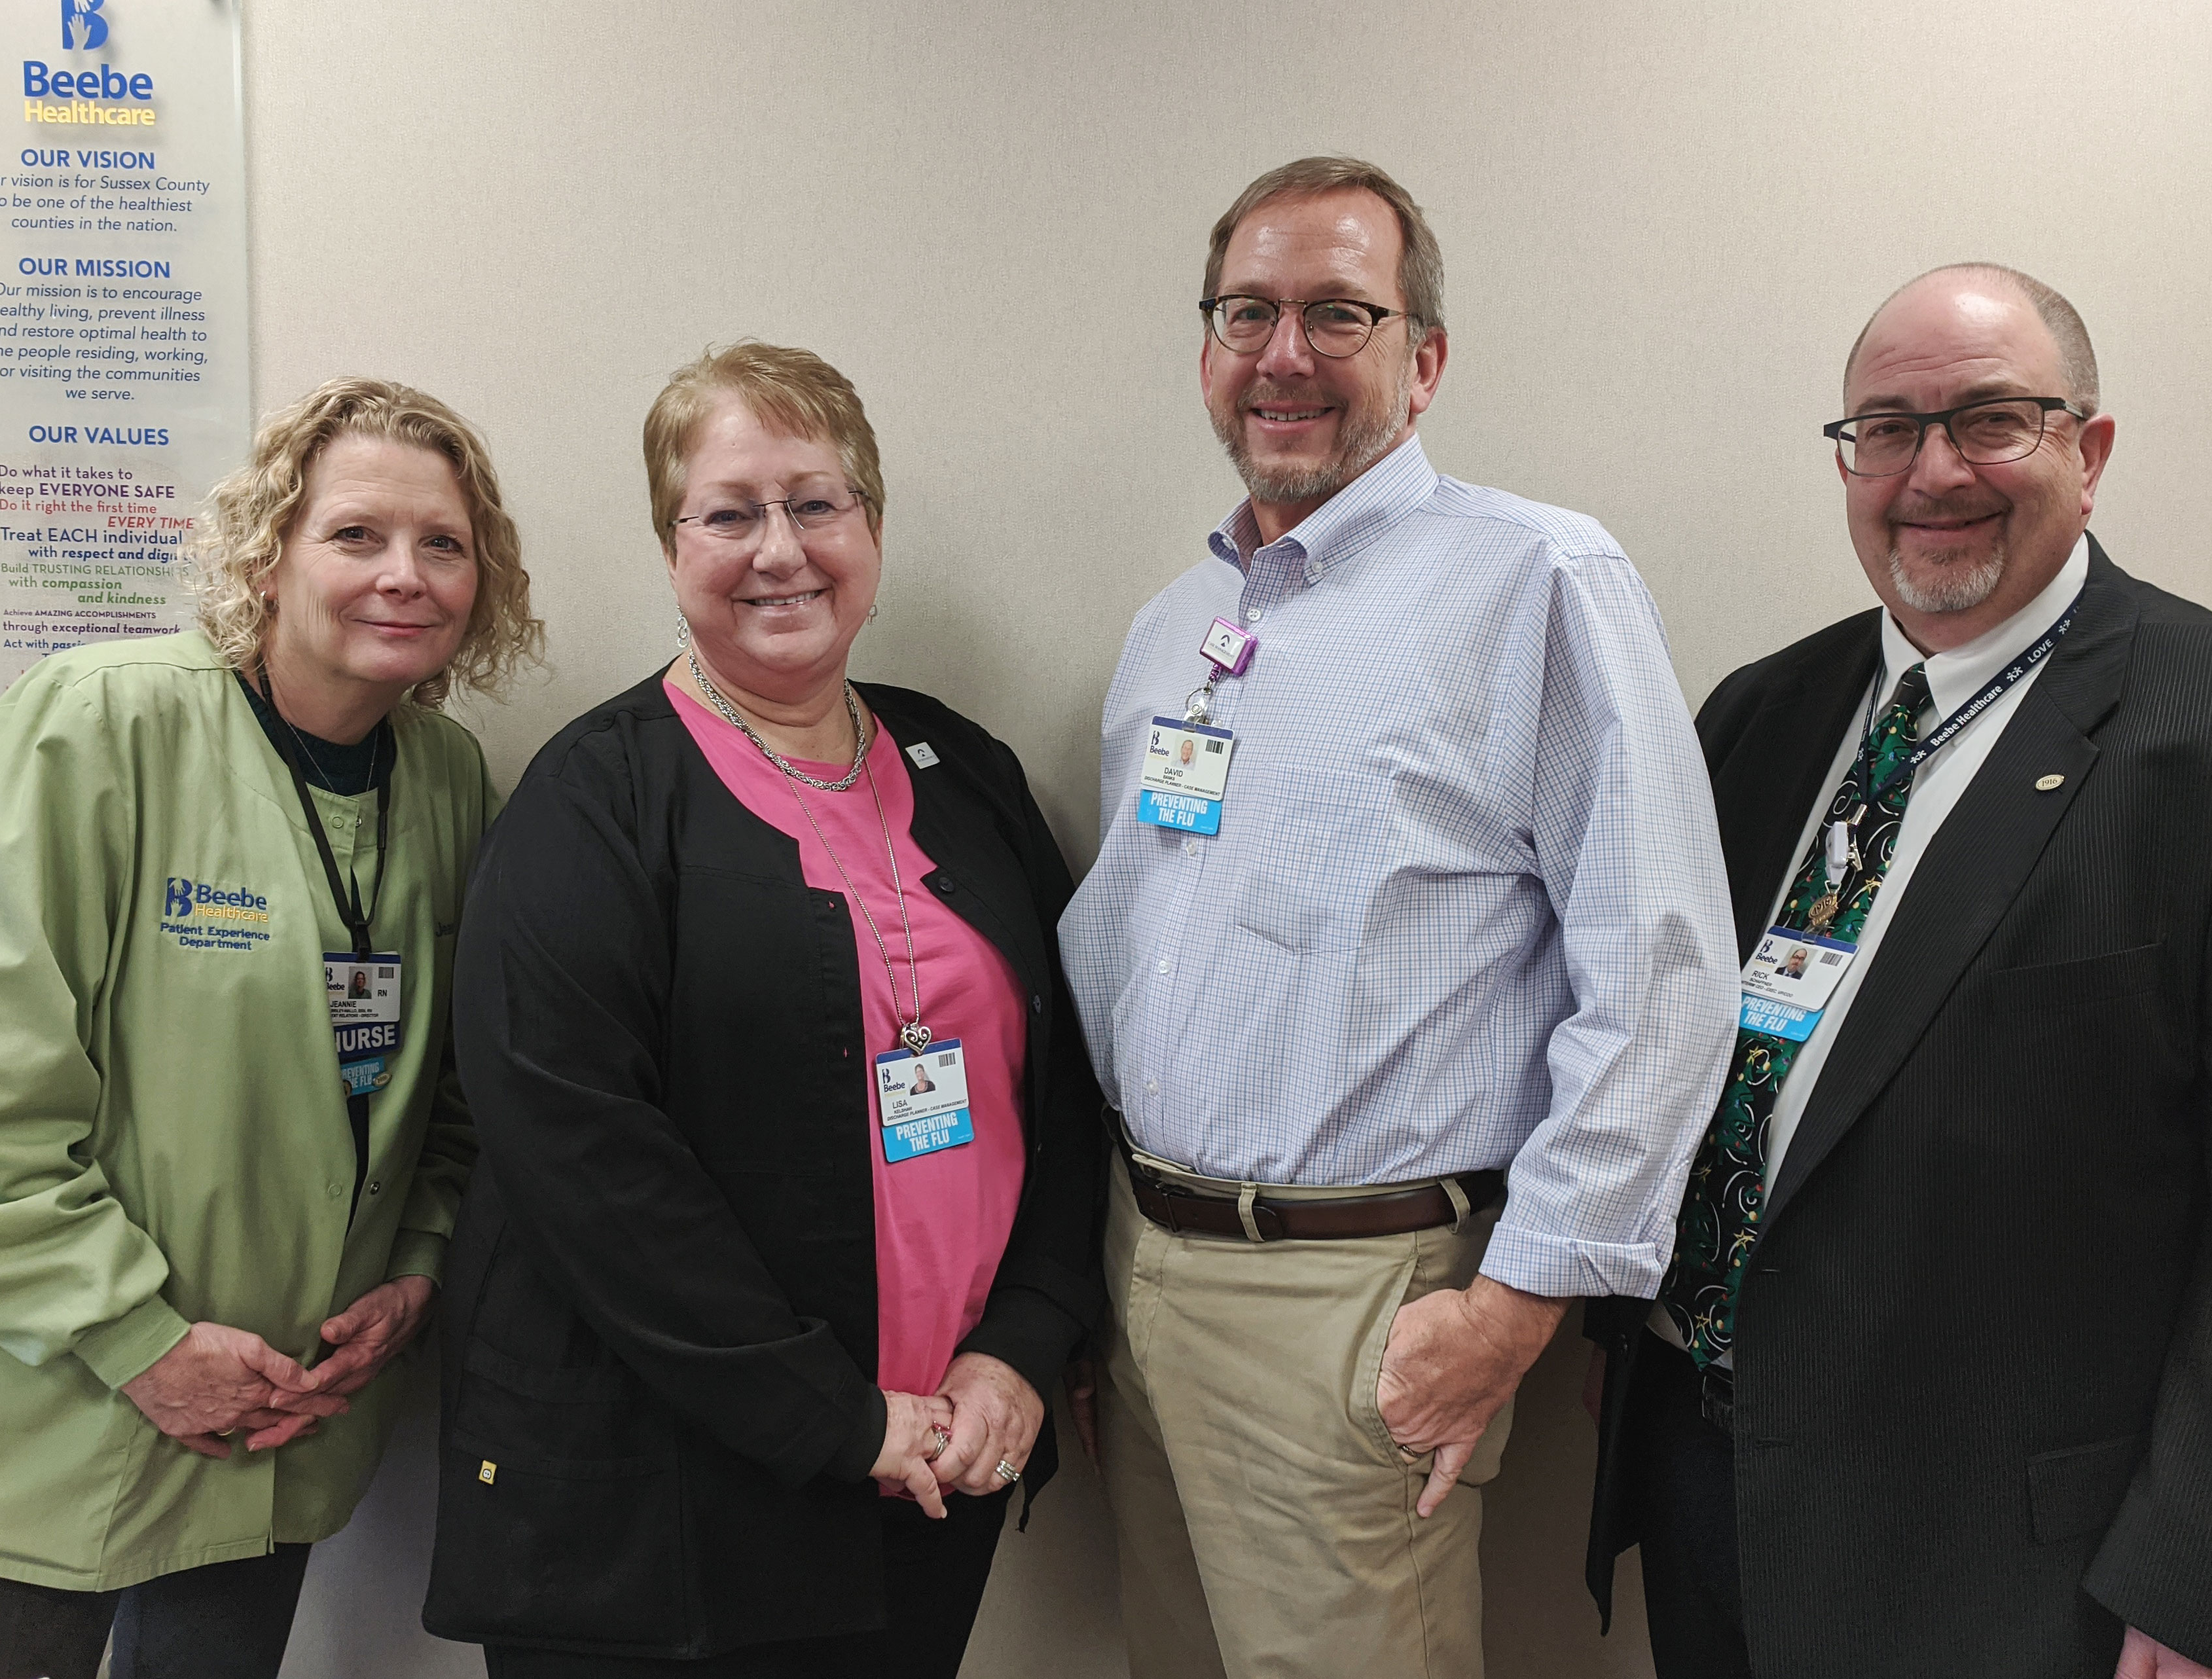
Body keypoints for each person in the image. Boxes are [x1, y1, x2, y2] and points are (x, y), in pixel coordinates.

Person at [1057, 156, 1737, 1677]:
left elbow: (1665, 970)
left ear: (1422, 360)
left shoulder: (1538, 577)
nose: (1283, 352)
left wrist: (1519, 1295)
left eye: (1338, 312)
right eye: (1248, 311)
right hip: (1143, 1261)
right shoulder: (1180, 621)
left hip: (1356, 1304)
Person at [422, 341, 1106, 1678]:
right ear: (673, 547)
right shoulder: (595, 801)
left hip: (940, 1464)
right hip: (666, 1497)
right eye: (730, 512)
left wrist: (1023, 1345)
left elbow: (1070, 1089)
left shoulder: (963, 765)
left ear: (873, 527)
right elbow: (582, 1160)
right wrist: (831, 1416)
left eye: (816, 503)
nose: (779, 547)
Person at [1584, 265, 2212, 1679]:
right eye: (1888, 428)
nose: (1932, 471)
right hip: (1709, 1472)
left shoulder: (2194, 722)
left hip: (2011, 1548)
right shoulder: (1764, 711)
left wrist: (2193, 1565)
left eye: (1989, 419)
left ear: (2089, 449)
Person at [0, 377, 540, 1679]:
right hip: (59, 1407)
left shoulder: (449, 780)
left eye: (442, 543)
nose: (404, 574)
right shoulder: (100, 725)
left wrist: (421, 1264)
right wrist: (141, 1342)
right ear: (265, 551)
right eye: (356, 534)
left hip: (284, 1419)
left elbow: (459, 1086)